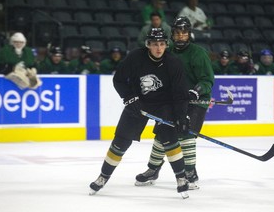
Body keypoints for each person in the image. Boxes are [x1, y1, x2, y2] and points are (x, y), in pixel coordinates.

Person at [89, 28, 191, 198]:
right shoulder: (136, 57)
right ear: (148, 45)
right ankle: (103, 176)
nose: (158, 48)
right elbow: (119, 80)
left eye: (162, 44)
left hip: (164, 105)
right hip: (139, 102)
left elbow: (180, 94)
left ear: (166, 44)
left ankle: (181, 178)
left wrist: (181, 116)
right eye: (154, 44)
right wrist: (129, 97)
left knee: (170, 138)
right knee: (121, 140)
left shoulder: (174, 63)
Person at [135, 16, 214, 190]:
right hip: (175, 101)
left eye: (184, 33)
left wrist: (197, 91)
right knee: (162, 133)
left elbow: (207, 80)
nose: (180, 37)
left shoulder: (198, 53)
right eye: (177, 33)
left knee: (186, 133)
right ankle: (152, 170)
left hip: (196, 101)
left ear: (189, 34)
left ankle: (190, 173)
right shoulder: (167, 50)